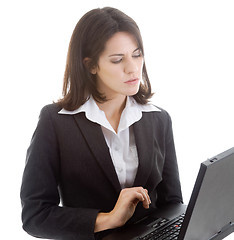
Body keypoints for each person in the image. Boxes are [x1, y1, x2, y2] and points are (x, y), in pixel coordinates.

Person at [20, 7, 183, 240]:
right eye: (118, 60)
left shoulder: (158, 118)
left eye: (137, 55)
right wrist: (109, 219)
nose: (133, 68)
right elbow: (35, 216)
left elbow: (172, 203)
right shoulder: (55, 121)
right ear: (90, 65)